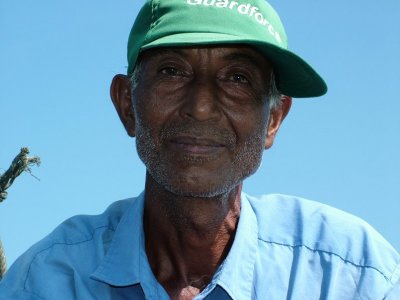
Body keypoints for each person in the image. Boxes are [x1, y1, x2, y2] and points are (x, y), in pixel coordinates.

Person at [1, 0, 399, 299]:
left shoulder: (351, 276)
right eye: (173, 70)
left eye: (238, 77)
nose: (201, 106)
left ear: (274, 120)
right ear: (127, 105)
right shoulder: (48, 280)